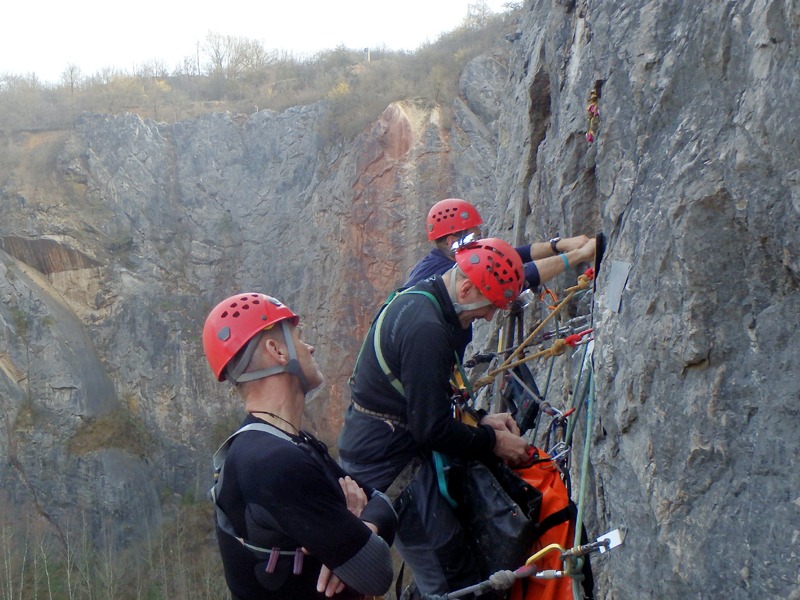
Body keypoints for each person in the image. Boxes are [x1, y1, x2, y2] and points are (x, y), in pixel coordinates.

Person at [337, 238, 533, 595]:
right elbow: (431, 428)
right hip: (390, 463)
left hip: (383, 445)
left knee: (453, 562)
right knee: (451, 575)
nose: (490, 315)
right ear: (467, 286)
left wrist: (482, 422)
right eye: (490, 305)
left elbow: (424, 402)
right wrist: (494, 442)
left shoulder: (420, 300)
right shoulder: (426, 328)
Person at [203, 292, 397, 600]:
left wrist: (361, 526)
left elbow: (383, 503)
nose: (310, 347)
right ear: (277, 350)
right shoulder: (273, 462)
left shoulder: (292, 442)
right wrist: (356, 524)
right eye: (299, 337)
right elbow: (377, 572)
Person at [405, 198, 596, 289]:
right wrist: (580, 255)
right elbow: (512, 277)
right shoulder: (448, 272)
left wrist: (558, 245)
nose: (479, 243)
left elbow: (506, 257)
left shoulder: (441, 260)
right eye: (474, 238)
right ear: (453, 241)